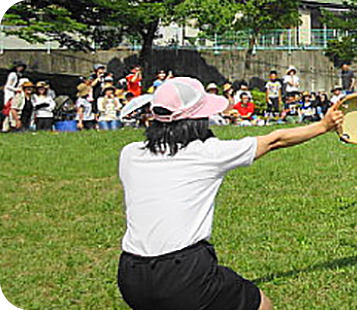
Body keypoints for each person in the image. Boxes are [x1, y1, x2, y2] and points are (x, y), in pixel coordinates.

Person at [116, 76, 344, 310]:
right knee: (262, 305)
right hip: (184, 272)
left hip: (130, 275)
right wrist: (324, 126)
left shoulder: (129, 154)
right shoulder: (208, 154)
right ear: (197, 120)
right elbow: (275, 140)